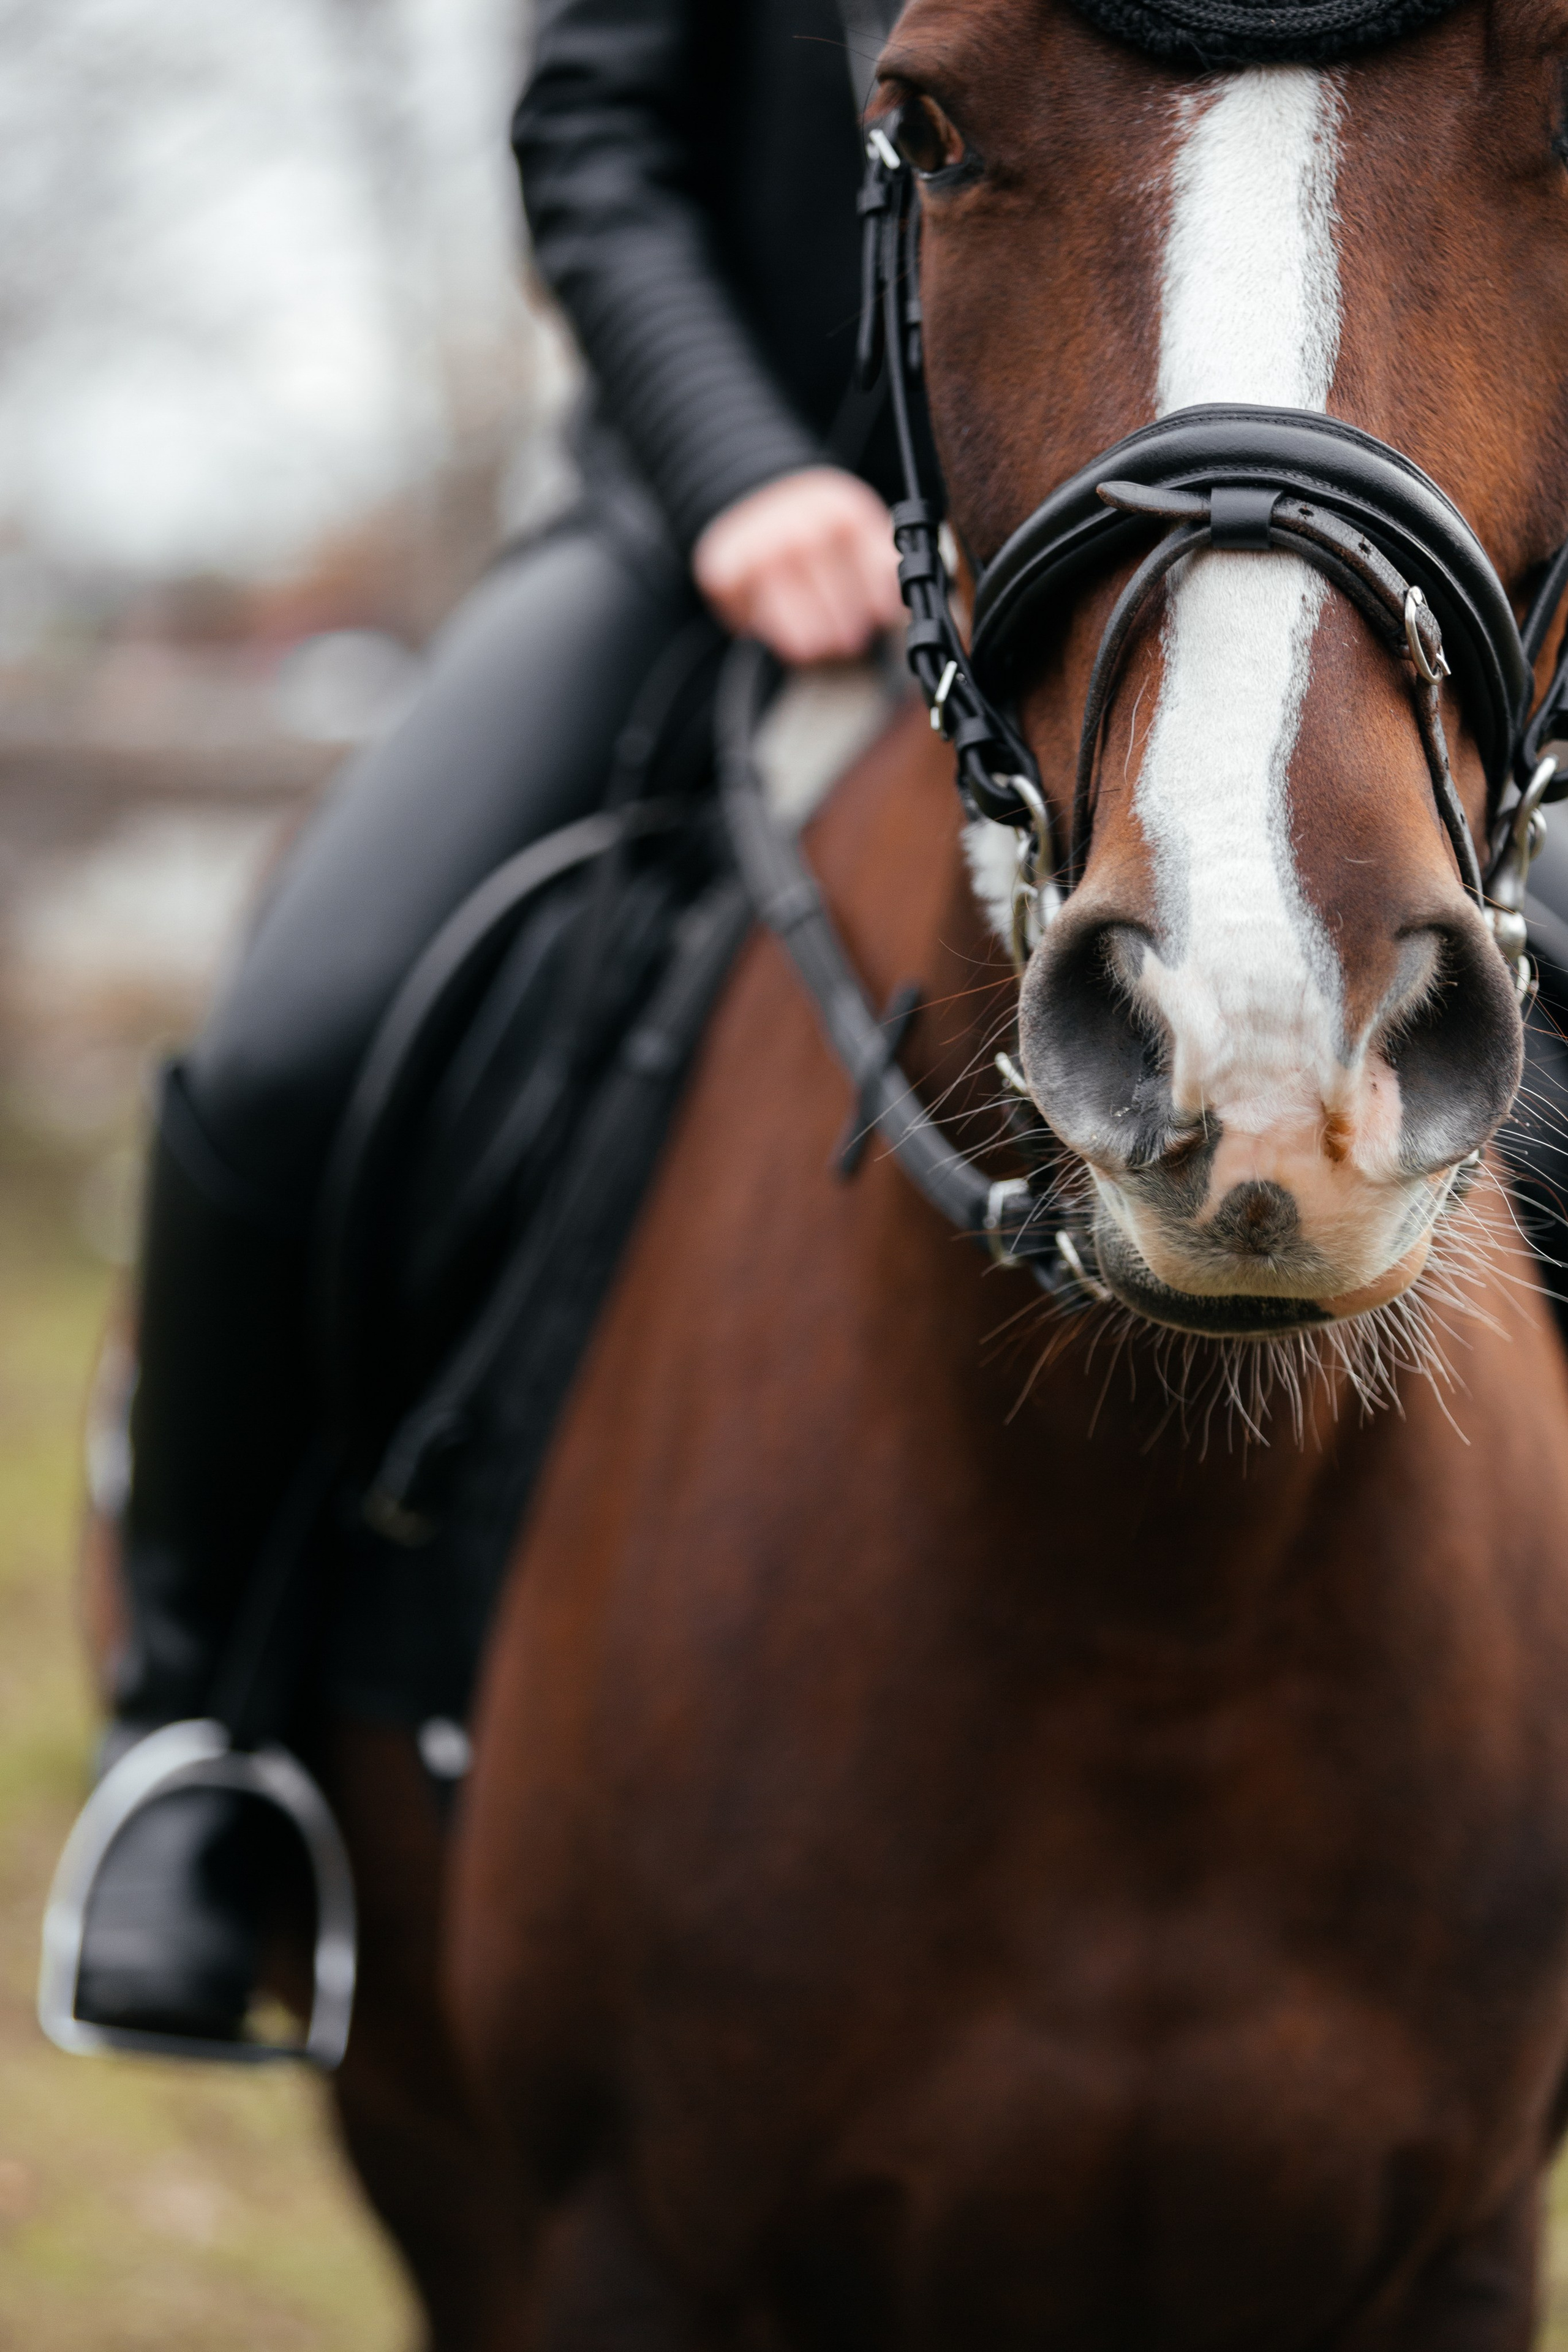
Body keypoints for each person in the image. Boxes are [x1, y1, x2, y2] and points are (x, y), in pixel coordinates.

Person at [70, 0, 905, 2045]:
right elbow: (597, 137)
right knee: (295, 1045)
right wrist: (744, 477)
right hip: (721, 536)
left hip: (1194, 546)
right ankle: (201, 1745)